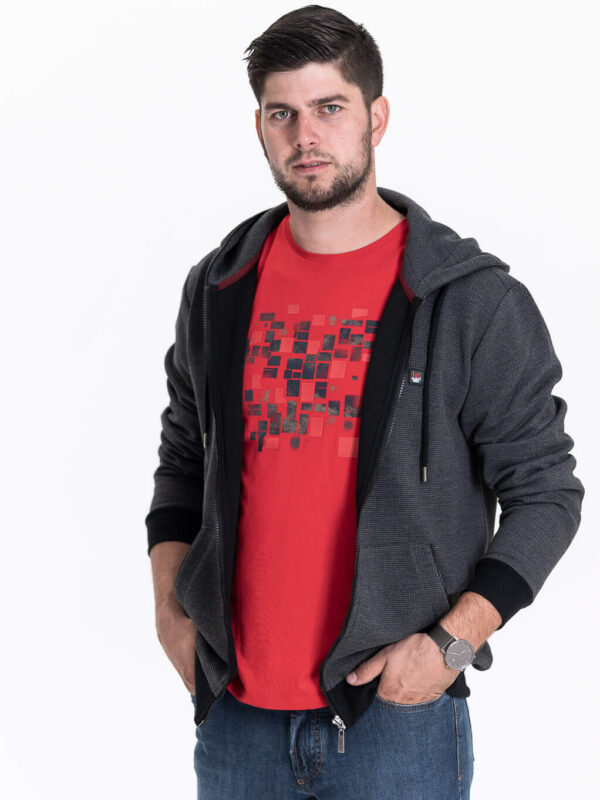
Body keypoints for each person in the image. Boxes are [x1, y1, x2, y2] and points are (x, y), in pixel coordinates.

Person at [146, 5, 585, 799]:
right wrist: (171, 615)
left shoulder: (470, 301)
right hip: (236, 717)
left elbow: (547, 493)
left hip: (396, 719)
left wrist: (451, 646)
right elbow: (182, 458)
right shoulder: (219, 286)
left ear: (376, 117)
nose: (305, 136)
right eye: (282, 113)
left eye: (329, 107)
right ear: (259, 128)